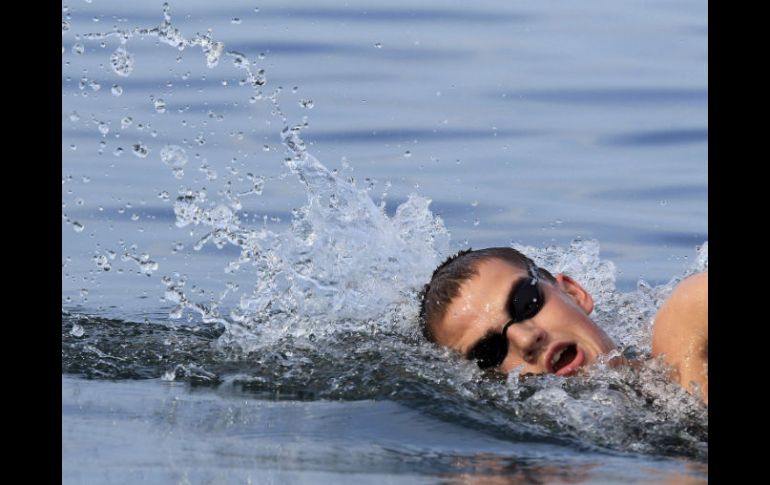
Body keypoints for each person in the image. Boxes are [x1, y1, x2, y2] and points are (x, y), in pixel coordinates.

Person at [418, 247, 708, 404]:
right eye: (489, 351)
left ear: (573, 293)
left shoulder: (685, 333)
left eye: (526, 303)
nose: (526, 339)